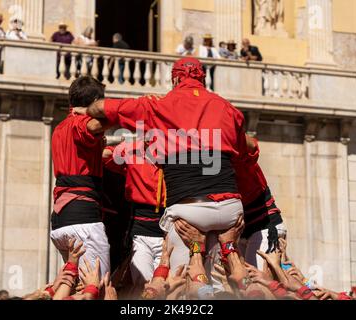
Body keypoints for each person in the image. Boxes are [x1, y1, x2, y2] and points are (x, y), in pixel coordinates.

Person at [73, 57, 248, 289]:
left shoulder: (157, 105)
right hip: (230, 210)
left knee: (182, 284)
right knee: (217, 282)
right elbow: (242, 153)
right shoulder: (229, 109)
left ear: (175, 78)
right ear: (203, 79)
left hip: (190, 210)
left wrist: (89, 112)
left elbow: (100, 108)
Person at [50, 76, 112, 279]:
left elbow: (81, 157)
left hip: (61, 220)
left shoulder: (60, 128)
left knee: (73, 286)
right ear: (95, 101)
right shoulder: (81, 124)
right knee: (97, 287)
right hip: (82, 218)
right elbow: (95, 126)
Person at [103, 140, 166, 291]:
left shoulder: (176, 150)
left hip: (168, 230)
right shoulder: (133, 150)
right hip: (141, 231)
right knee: (142, 286)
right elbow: (105, 155)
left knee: (166, 287)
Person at [232, 134, 286, 270]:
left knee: (260, 284)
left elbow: (253, 145)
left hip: (265, 226)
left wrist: (224, 131)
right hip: (240, 231)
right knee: (241, 286)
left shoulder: (239, 155)